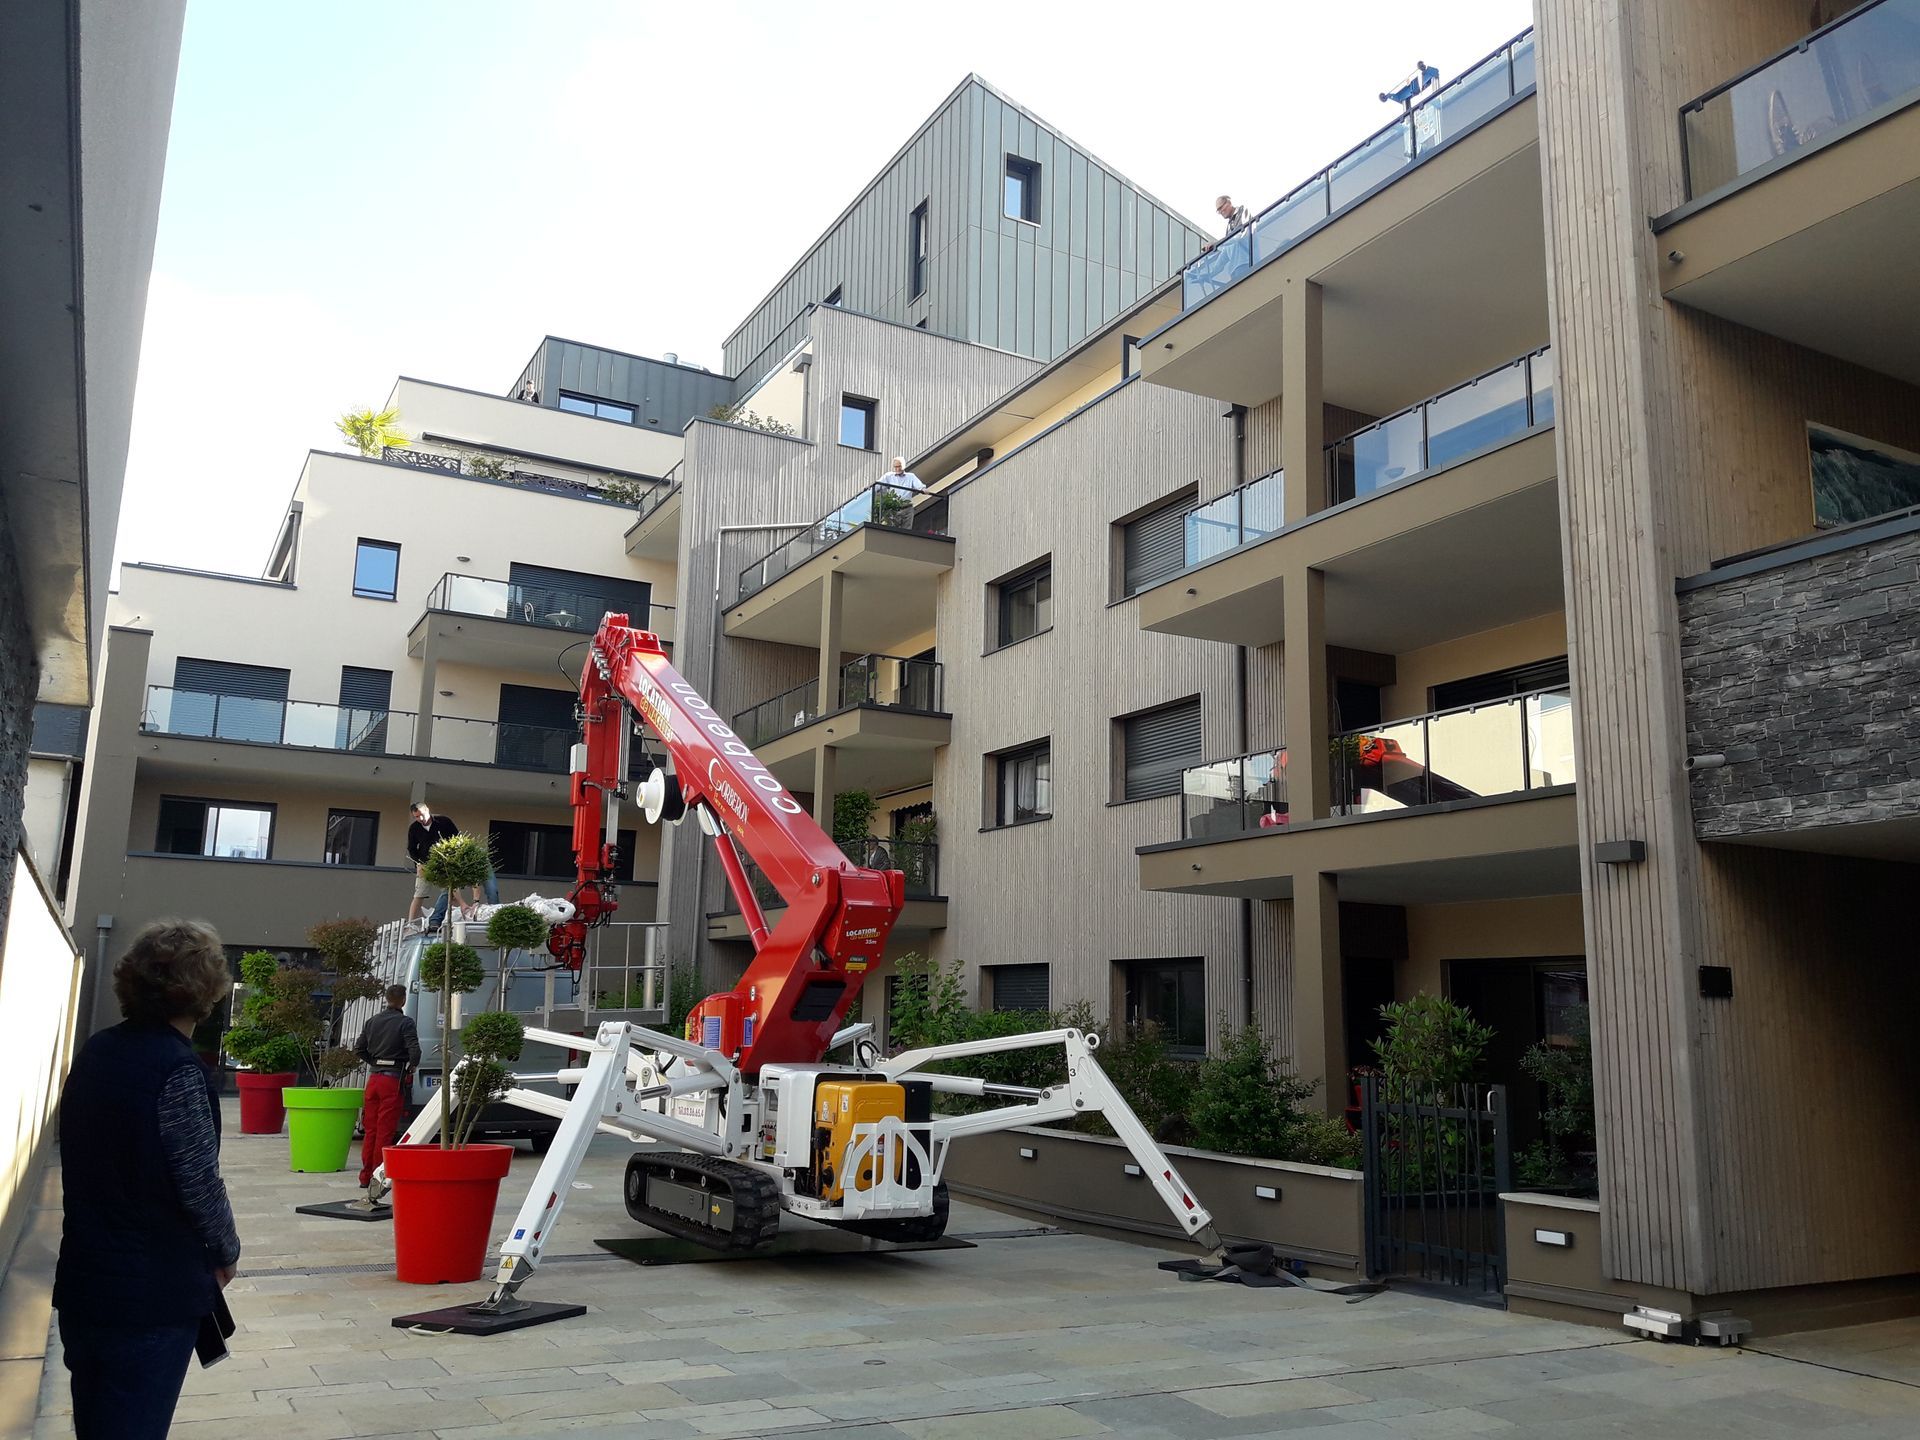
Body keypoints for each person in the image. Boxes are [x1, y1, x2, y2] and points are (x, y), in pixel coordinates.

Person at [53, 918, 240, 1440]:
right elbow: (199, 1182)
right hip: (149, 1294)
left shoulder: (97, 1051)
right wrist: (226, 1251)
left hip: (85, 1282)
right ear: (207, 991)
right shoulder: (176, 1070)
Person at [354, 984, 420, 1201]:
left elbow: (359, 1048)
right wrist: (411, 1065)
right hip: (392, 1079)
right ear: (402, 1000)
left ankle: (364, 1176)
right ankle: (377, 1174)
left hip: (373, 1079)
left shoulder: (372, 1021)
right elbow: (414, 1051)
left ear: (386, 998)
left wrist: (373, 1061)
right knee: (385, 1130)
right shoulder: (405, 1022)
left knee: (370, 1128)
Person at [407, 801, 498, 928]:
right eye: (416, 817)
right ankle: (412, 923)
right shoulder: (414, 828)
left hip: (448, 860)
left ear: (427, 810)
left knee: (450, 889)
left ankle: (494, 916)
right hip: (427, 863)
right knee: (420, 893)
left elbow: (475, 882)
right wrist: (419, 863)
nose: (420, 819)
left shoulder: (444, 822)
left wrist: (475, 902)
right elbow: (411, 849)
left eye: (422, 815)